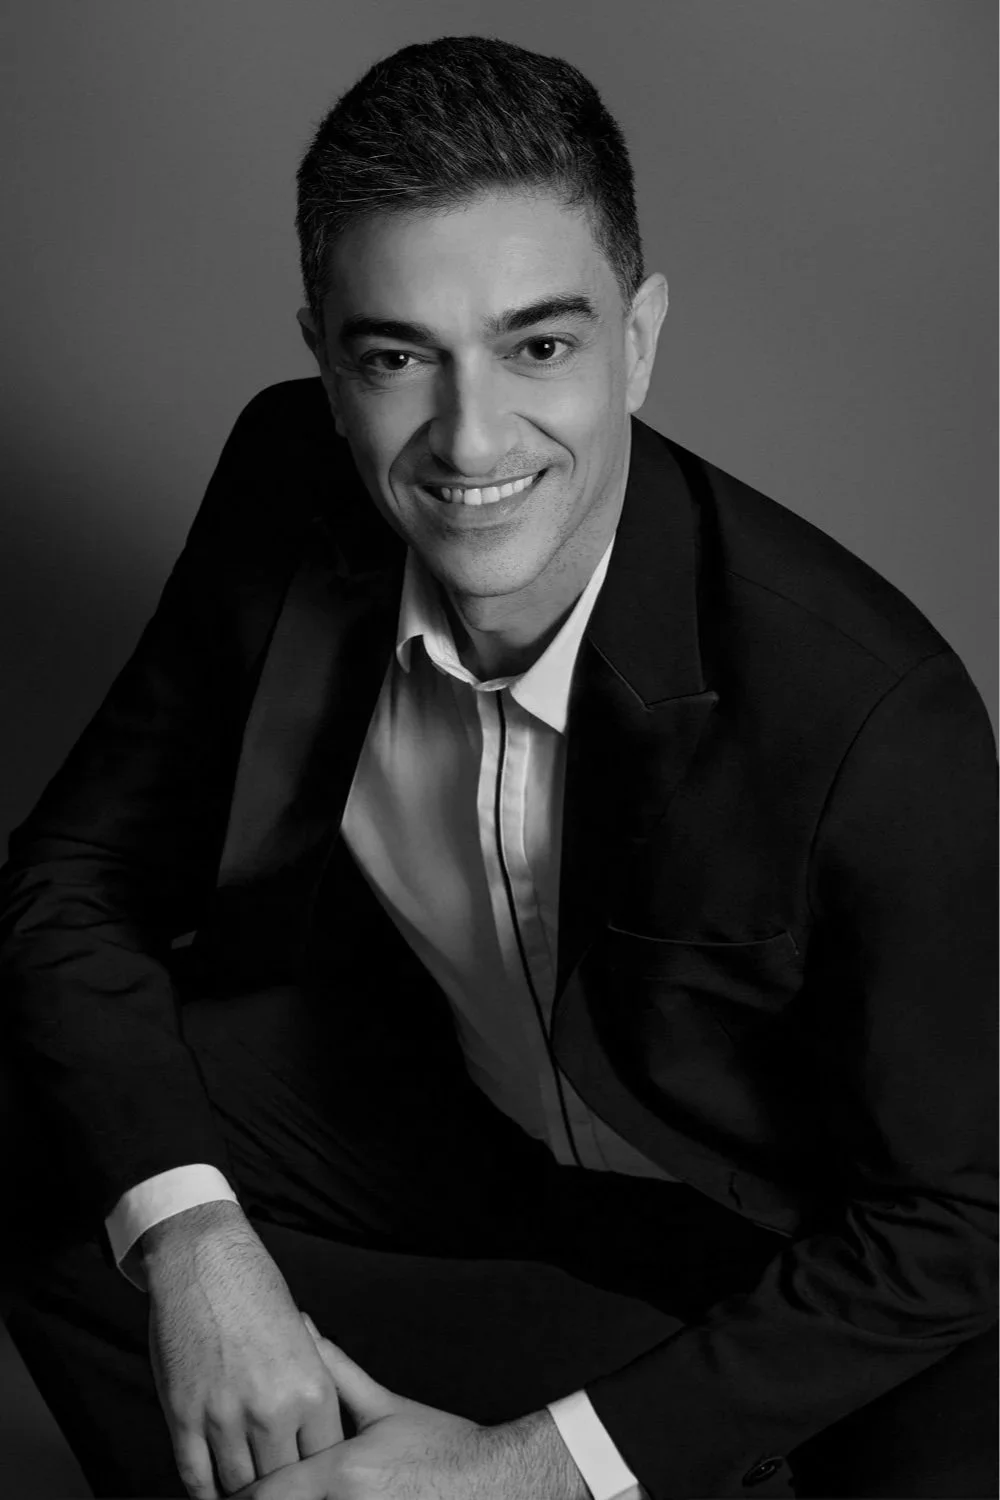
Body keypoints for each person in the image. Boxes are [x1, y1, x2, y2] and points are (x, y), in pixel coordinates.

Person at [0, 33, 996, 1500]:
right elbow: (74, 881)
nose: (470, 441)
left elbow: (956, 1221)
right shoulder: (291, 480)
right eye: (397, 357)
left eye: (539, 347)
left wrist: (525, 1468)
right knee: (54, 1102)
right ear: (326, 360)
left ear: (638, 340)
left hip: (779, 1251)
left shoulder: (868, 710)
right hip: (460, 1149)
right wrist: (196, 1246)